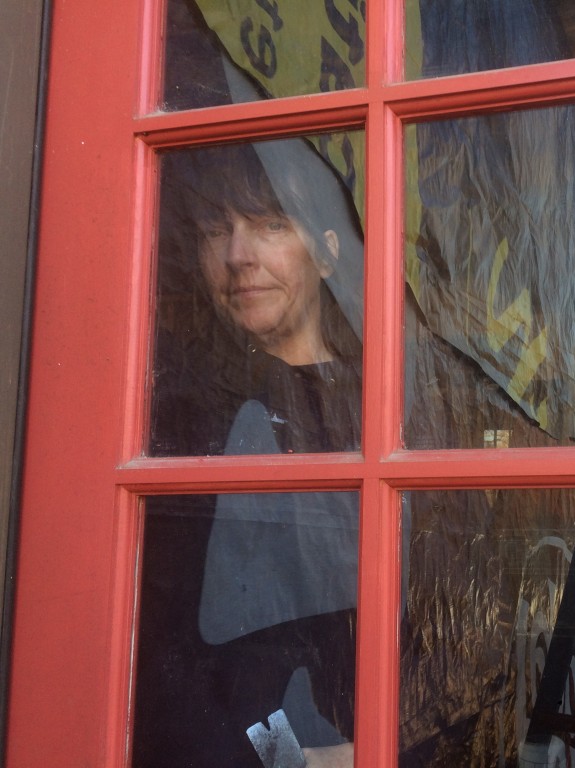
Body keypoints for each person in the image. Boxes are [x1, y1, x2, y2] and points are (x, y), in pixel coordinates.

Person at [136, 138, 364, 768]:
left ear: (326, 251)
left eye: (270, 224)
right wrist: (298, 760)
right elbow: (186, 652)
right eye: (216, 229)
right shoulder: (180, 414)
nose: (238, 255)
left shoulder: (378, 407)